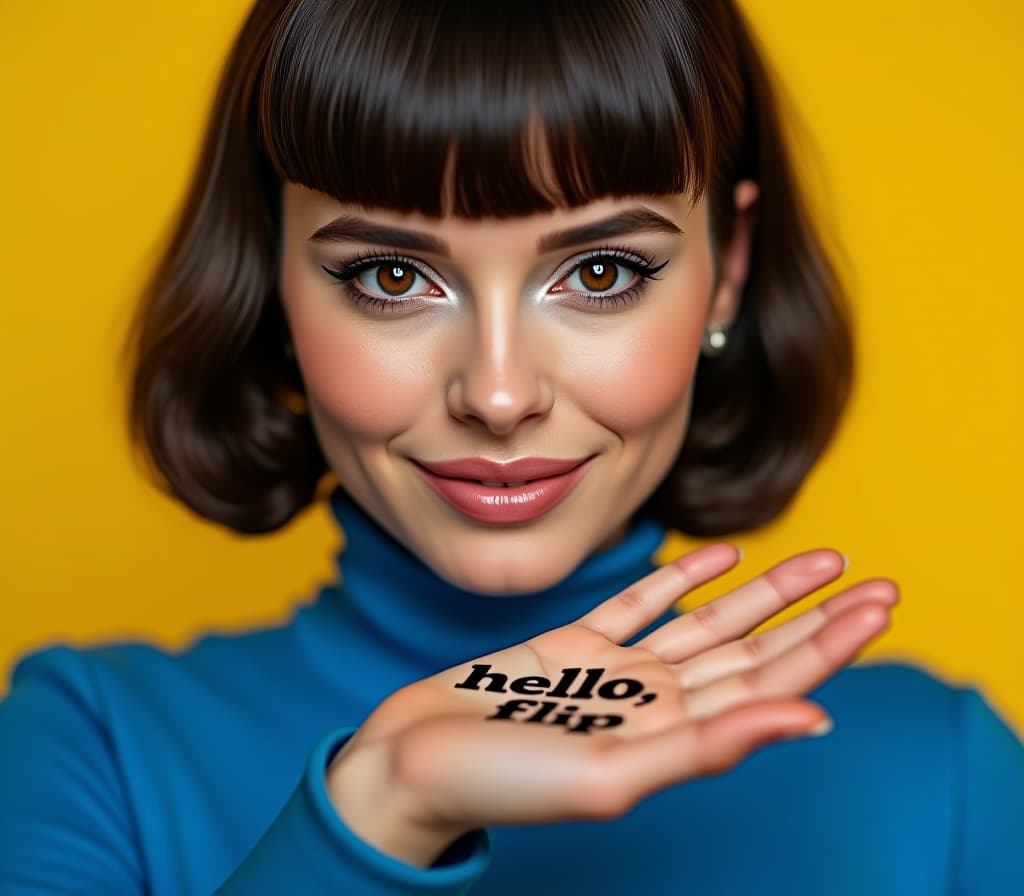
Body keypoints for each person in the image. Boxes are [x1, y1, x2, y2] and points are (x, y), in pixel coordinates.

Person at [2, 0, 1022, 893]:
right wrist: (377, 813)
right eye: (392, 277)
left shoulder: (944, 778)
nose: (498, 393)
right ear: (270, 279)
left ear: (726, 269)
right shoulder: (89, 748)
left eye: (602, 270)